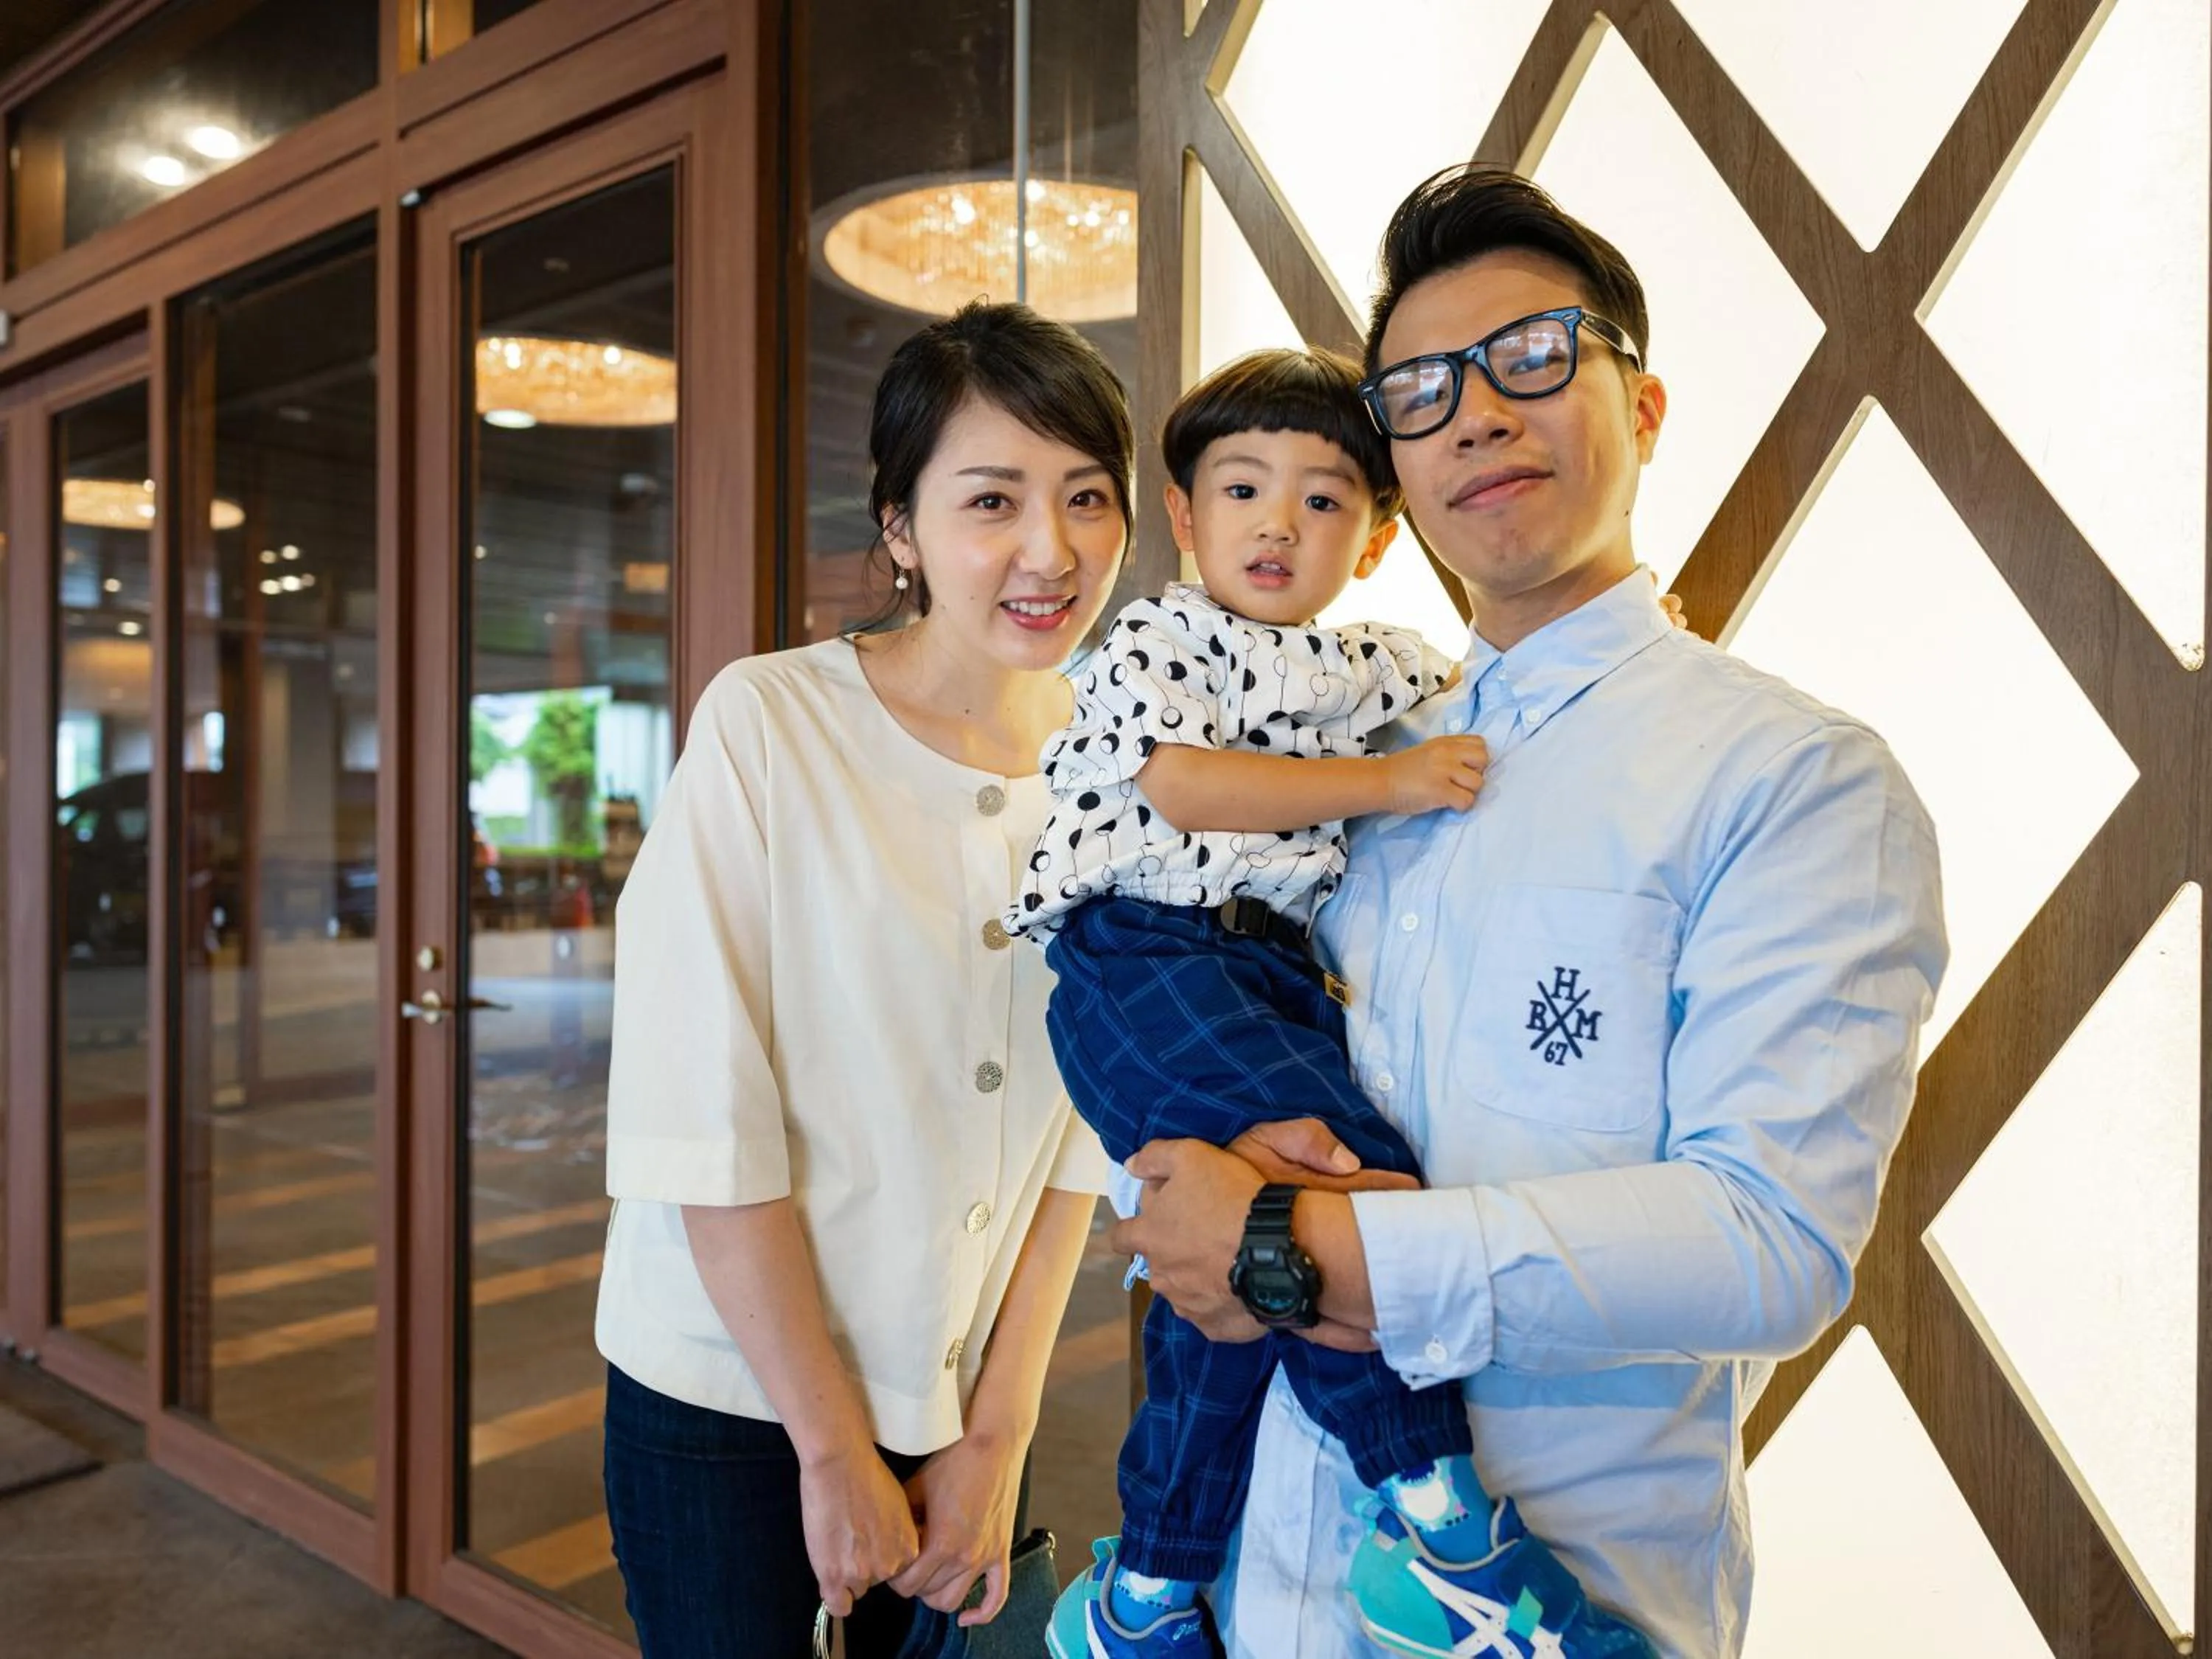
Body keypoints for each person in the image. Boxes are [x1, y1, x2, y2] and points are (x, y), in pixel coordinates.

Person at [1110, 164, 1948, 1659]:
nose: (1476, 414)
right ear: (1395, 480)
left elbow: (1771, 1241)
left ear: (1646, 406)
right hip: (1247, 1584)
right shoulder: (1346, 764)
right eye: (1421, 393)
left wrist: (1301, 1250)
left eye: (1533, 357)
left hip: (1563, 1601)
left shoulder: (1794, 778)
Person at [1008, 347, 1655, 1659]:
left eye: (1324, 501)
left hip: (1262, 976)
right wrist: (1394, 786)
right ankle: (1439, 1527)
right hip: (1142, 954)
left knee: (1236, 1299)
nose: (1279, 523)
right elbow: (1184, 788)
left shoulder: (1366, 661)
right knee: (1360, 1186)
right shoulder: (1161, 634)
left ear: (1372, 541)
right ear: (1185, 518)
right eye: (1243, 489)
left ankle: (1142, 1596)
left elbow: (1496, 710)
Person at [594, 301, 1130, 1658]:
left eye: (1085, 497)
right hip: (728, 1398)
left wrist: (1000, 1435)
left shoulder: (1119, 764)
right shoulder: (770, 725)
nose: (1047, 550)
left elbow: (1078, 1143)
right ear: (899, 527)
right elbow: (702, 1120)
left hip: (958, 1401)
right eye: (991, 499)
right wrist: (829, 1444)